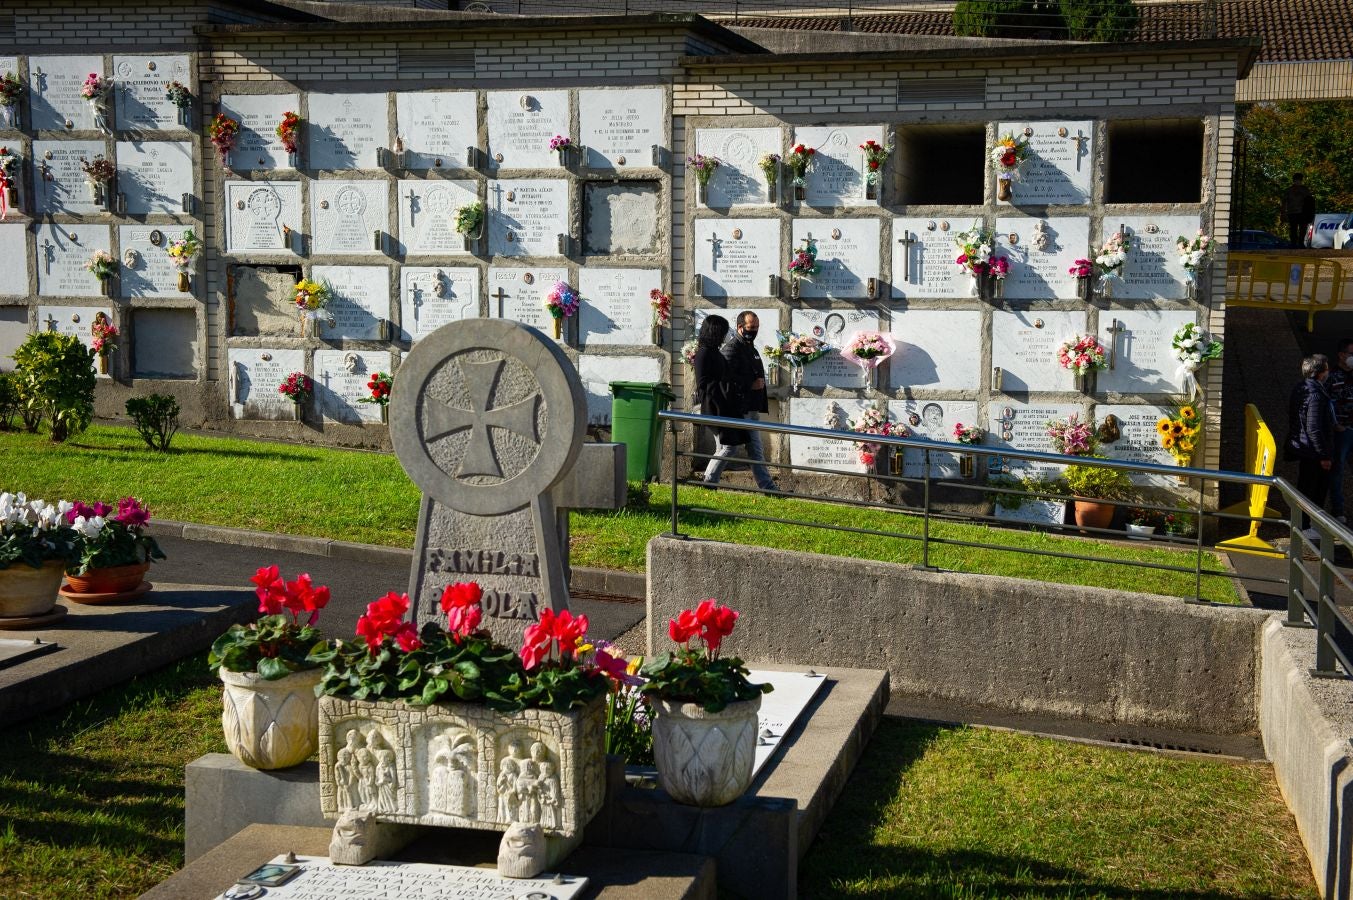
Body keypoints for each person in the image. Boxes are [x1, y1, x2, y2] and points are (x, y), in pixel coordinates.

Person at [708, 311, 777, 491]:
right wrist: (750, 384)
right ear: (740, 327)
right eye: (750, 327)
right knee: (728, 449)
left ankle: (768, 488)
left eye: (756, 327)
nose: (754, 331)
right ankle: (708, 482)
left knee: (755, 451)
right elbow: (725, 380)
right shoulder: (732, 349)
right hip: (738, 409)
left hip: (750, 408)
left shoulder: (750, 347)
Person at [1286, 354, 1334, 539]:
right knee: (1313, 489)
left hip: (1305, 448)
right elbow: (1313, 427)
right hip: (1313, 451)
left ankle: (1304, 525)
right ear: (1320, 373)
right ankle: (1305, 527)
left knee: (1306, 486)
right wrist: (1324, 455)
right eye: (1326, 369)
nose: (1328, 372)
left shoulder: (1301, 388)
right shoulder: (1315, 394)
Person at [1326, 338, 1353, 523]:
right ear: (1341, 355)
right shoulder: (1332, 376)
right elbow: (1327, 404)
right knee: (1337, 469)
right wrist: (1335, 425)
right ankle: (1338, 510)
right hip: (1342, 431)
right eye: (1351, 354)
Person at [1283, 173, 1315, 249]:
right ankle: (1294, 243)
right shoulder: (1289, 190)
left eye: (1299, 180)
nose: (1298, 182)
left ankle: (1300, 243)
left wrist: (1310, 213)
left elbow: (1310, 202)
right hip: (1292, 212)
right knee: (1293, 229)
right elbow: (1284, 202)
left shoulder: (1305, 190)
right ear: (1294, 181)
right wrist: (1283, 212)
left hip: (1302, 212)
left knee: (1302, 229)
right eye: (1296, 180)